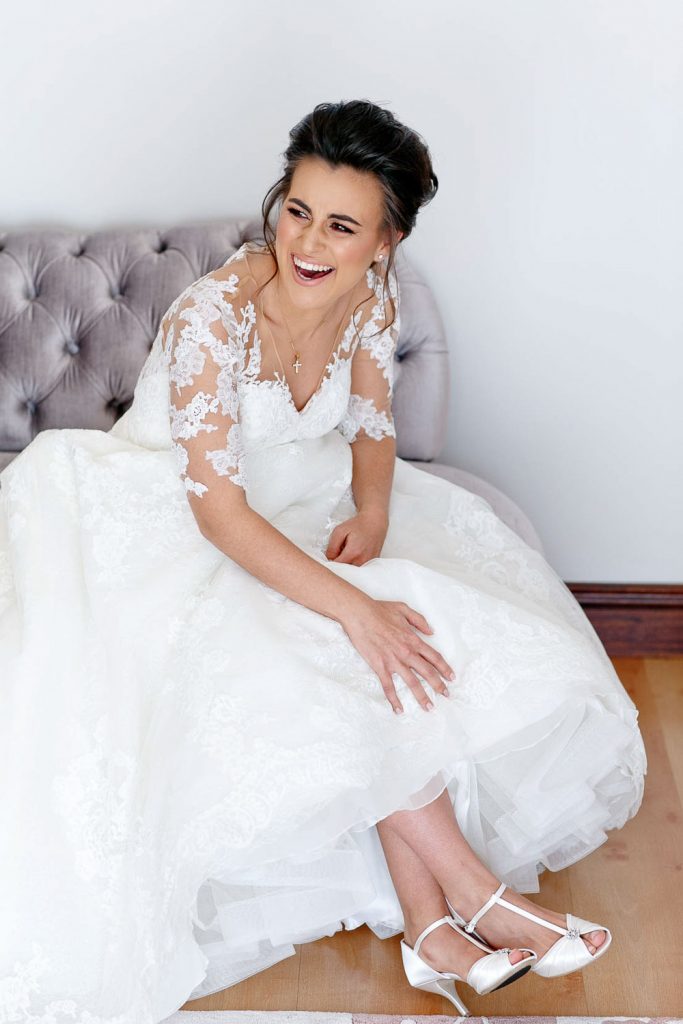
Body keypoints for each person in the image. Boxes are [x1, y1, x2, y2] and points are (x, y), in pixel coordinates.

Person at [0, 99, 646, 1021]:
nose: (308, 241)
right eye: (295, 210)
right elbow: (218, 513)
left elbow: (372, 427)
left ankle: (431, 932)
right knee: (342, 639)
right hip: (158, 519)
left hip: (298, 503)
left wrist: (375, 513)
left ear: (384, 242)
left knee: (414, 626)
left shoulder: (372, 301)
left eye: (341, 225)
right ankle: (469, 892)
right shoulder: (212, 317)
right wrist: (354, 606)